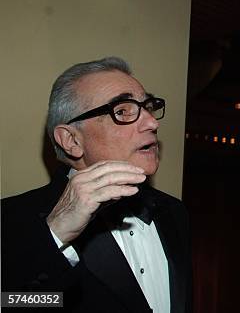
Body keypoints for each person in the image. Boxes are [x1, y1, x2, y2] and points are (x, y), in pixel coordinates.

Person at [1, 57, 192, 313]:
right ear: (71, 140)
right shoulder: (11, 219)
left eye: (148, 107)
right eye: (123, 111)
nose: (152, 123)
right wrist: (55, 235)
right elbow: (10, 302)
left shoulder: (174, 211)